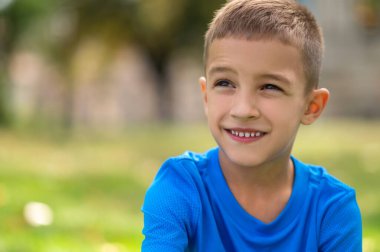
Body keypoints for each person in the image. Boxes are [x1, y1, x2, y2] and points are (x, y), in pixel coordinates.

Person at [141, 0, 362, 251]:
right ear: (206, 95)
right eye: (225, 83)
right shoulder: (180, 188)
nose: (243, 109)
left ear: (311, 106)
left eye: (270, 87)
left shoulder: (331, 208)